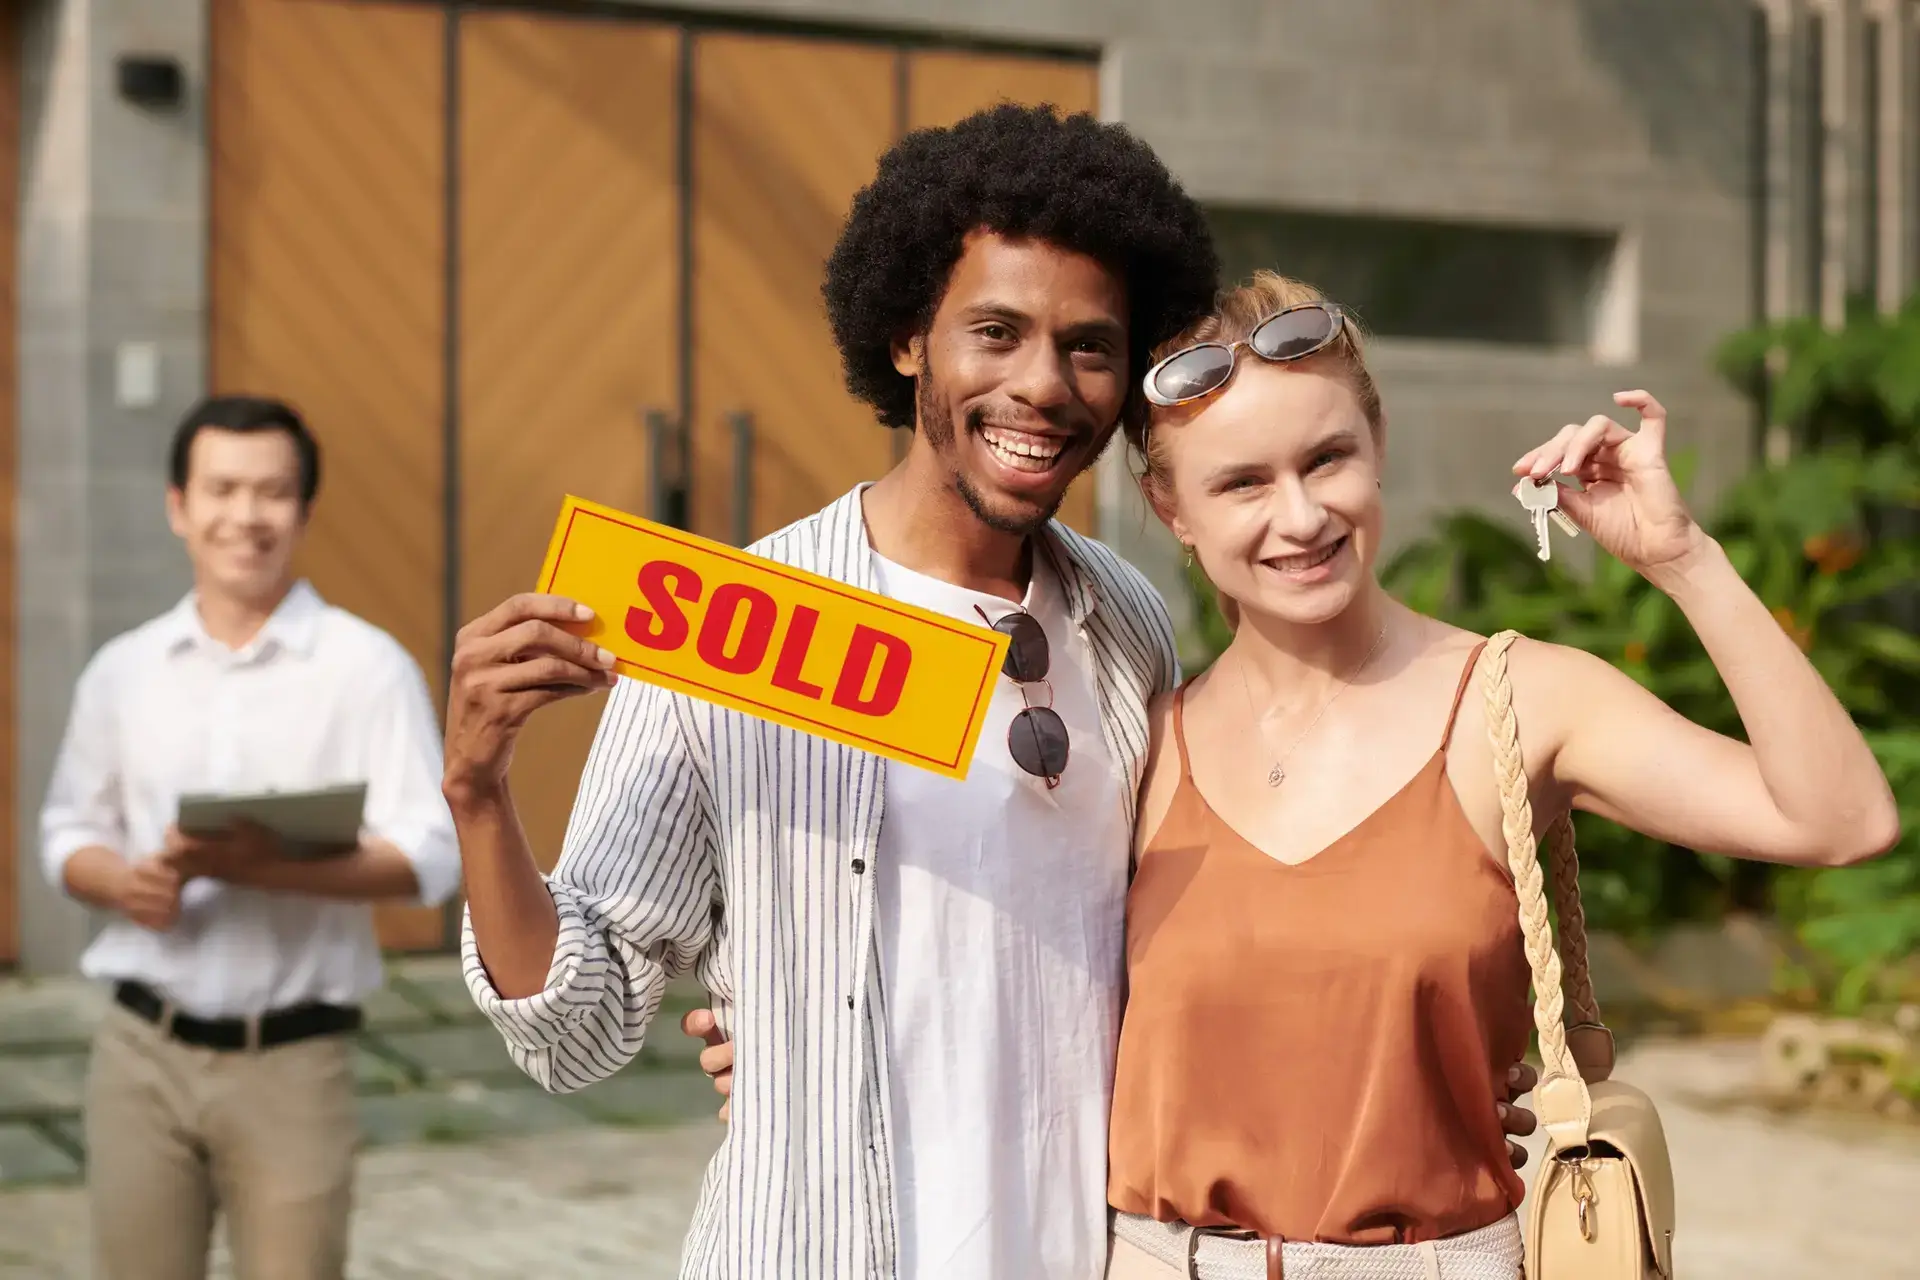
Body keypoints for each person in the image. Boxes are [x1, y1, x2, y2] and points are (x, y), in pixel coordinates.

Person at [447, 106, 1535, 1280]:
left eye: (1089, 346)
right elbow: (574, 1028)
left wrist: (1433, 1062)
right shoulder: (731, 628)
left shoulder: (1127, 624)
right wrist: (478, 794)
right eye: (997, 332)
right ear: (908, 337)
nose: (1042, 385)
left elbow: (1202, 945)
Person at [1099, 271, 1900, 1278]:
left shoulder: (1519, 700)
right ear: (1170, 505)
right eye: (1242, 483)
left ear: (1378, 444)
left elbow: (1839, 820)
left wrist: (1683, 559)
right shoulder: (1138, 742)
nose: (1299, 516)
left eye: (1327, 458)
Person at [39, 395, 462, 1280]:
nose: (246, 515)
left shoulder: (366, 668)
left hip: (294, 1063)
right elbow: (67, 832)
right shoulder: (122, 671)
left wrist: (266, 866)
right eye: (222, 489)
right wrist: (123, 884)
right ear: (178, 505)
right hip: (140, 1059)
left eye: (272, 492)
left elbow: (432, 852)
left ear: (304, 511)